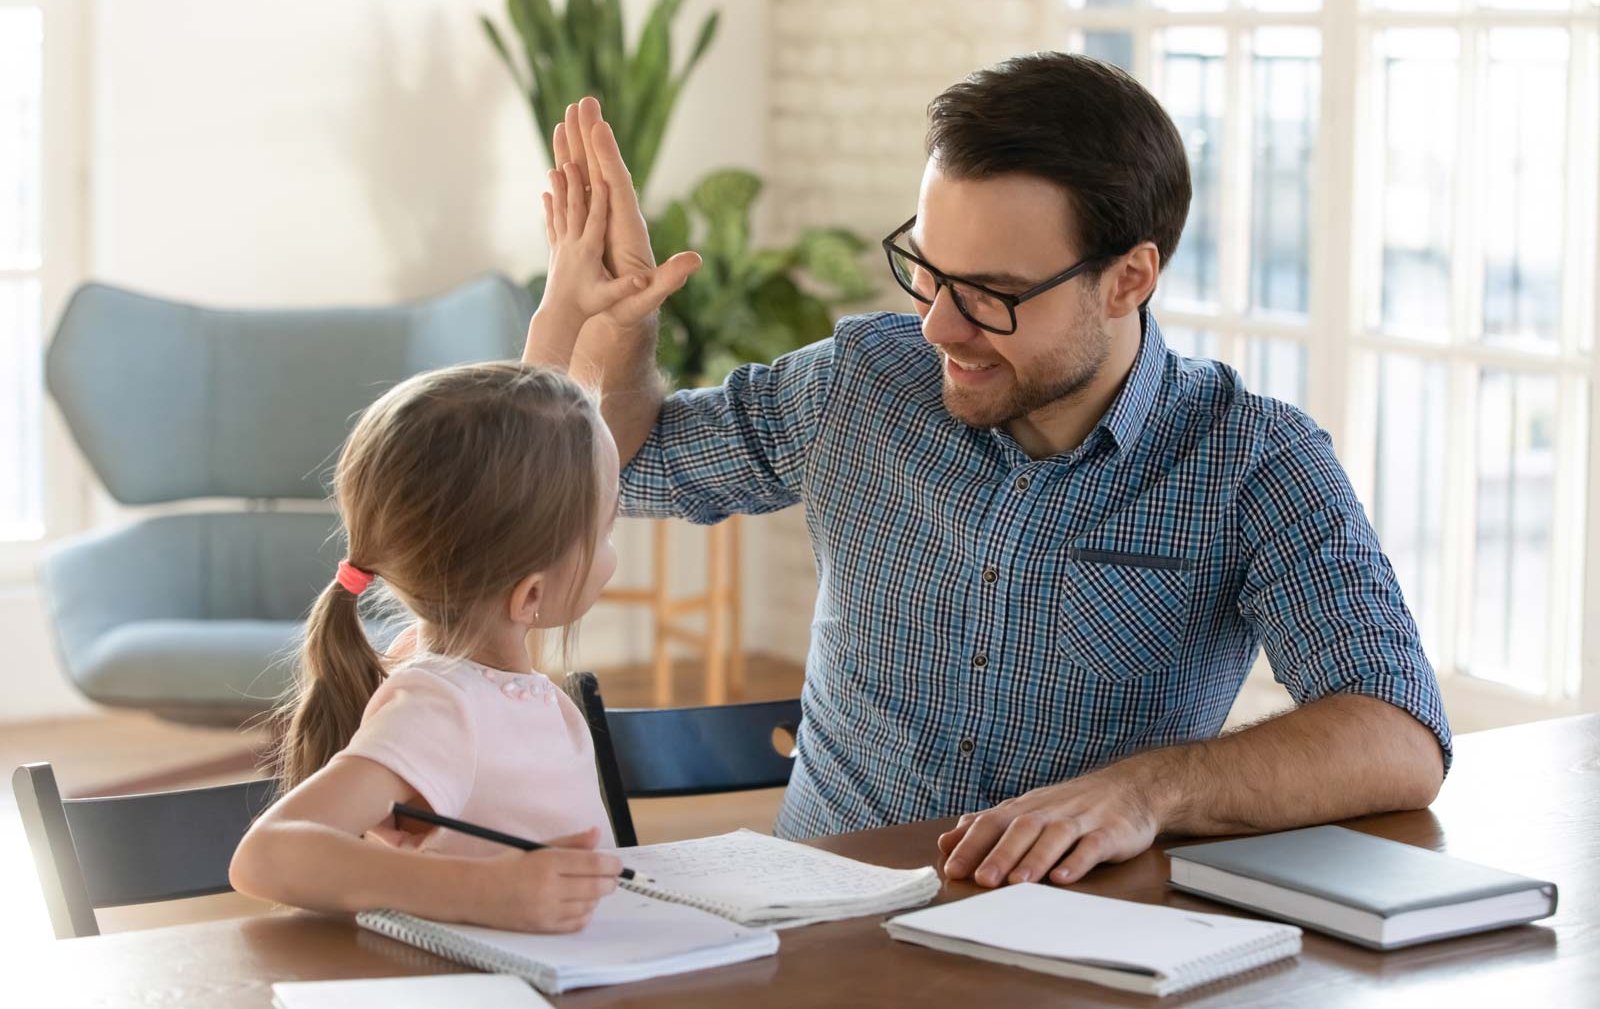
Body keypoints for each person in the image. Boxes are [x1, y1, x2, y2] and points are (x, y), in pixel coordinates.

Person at [538, 53, 1452, 892]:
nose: (938, 325)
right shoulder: (861, 384)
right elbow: (629, 467)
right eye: (929, 273)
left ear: (1129, 279)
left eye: (991, 295)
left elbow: (1398, 736)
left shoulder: (1252, 463)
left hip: (1077, 945)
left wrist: (1146, 790)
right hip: (827, 933)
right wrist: (620, 330)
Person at [228, 161, 700, 931]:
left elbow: (516, 479)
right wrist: (489, 893)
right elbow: (268, 854)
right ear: (530, 595)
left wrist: (565, 311)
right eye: (606, 526)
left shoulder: (476, 668)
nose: (612, 546)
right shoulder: (440, 703)